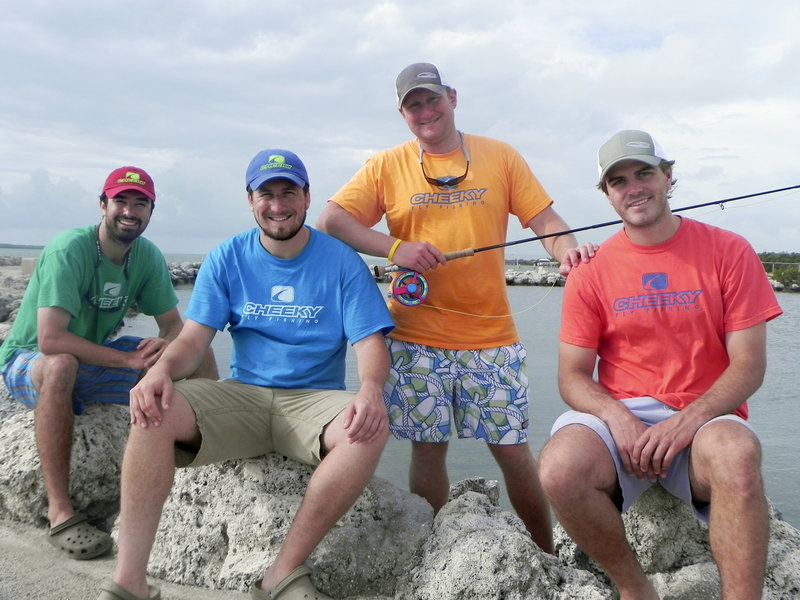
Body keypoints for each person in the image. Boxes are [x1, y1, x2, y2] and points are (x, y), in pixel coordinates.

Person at [316, 61, 596, 552]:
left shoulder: (500, 156)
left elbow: (544, 219)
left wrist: (566, 251)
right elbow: (332, 219)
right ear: (403, 114)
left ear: (452, 97)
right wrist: (395, 248)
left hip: (492, 339)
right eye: (413, 105)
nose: (425, 112)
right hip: (416, 335)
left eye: (432, 99)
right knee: (428, 451)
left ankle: (546, 554)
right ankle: (434, 550)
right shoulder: (387, 164)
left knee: (513, 453)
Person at [97, 149, 394, 600]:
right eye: (266, 194)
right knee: (151, 410)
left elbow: (370, 344)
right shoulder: (227, 257)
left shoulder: (341, 261)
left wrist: (371, 389)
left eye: (288, 192)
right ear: (250, 200)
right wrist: (158, 373)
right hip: (244, 395)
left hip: (313, 400)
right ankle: (129, 582)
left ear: (307, 197)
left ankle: (282, 572)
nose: (278, 205)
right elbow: (194, 340)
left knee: (368, 429)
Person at [538, 129, 783, 600]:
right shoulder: (590, 269)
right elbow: (571, 375)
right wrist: (618, 418)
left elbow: (749, 366)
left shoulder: (729, 250)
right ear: (607, 196)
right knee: (558, 469)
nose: (634, 188)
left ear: (669, 177)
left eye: (645, 173)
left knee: (738, 456)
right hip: (621, 417)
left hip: (706, 415)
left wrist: (686, 423)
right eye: (618, 181)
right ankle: (635, 590)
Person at [0, 166, 218, 560]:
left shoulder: (147, 255)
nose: (129, 211)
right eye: (121, 201)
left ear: (151, 211)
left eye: (140, 203)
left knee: (199, 352)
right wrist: (127, 358)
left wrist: (162, 348)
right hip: (29, 360)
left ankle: (213, 469)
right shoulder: (72, 248)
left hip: (93, 358)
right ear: (103, 205)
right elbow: (49, 339)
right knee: (62, 363)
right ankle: (60, 512)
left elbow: (173, 326)